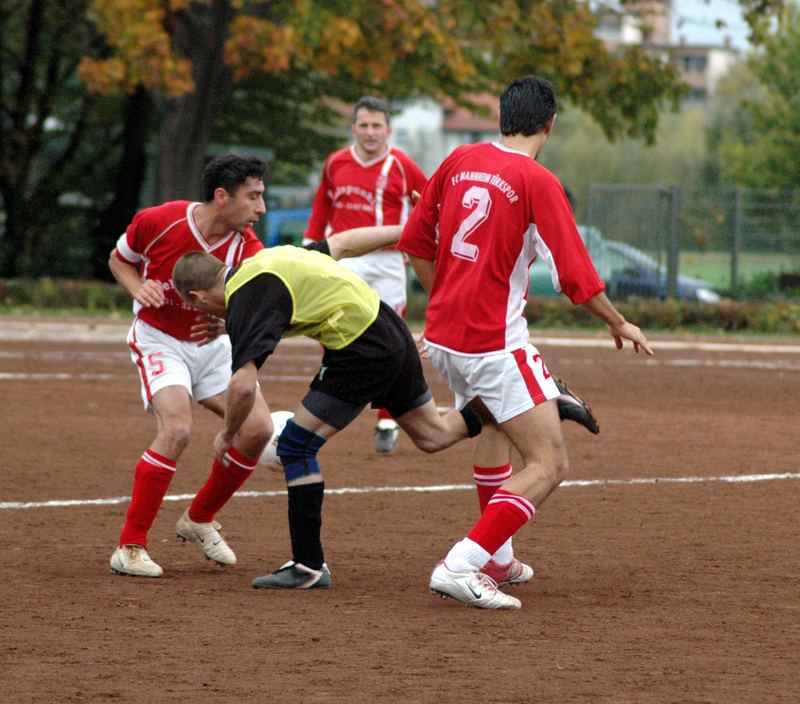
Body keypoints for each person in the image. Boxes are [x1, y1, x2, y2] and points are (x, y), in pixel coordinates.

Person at [398, 75, 654, 610]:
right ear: (551, 124)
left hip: (446, 338)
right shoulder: (537, 179)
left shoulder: (458, 159)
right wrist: (618, 322)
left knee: (494, 426)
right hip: (493, 342)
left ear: (500, 117)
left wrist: (447, 297)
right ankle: (462, 563)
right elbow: (577, 277)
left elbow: (415, 242)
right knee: (549, 462)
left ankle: (497, 558)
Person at [171, 232, 485, 590]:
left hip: (361, 348)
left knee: (295, 446)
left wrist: (228, 434)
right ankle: (516, 402)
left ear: (196, 297)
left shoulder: (246, 296)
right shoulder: (267, 261)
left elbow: (243, 386)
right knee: (434, 434)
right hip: (388, 327)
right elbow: (343, 244)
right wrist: (408, 228)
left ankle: (308, 565)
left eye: (199, 307)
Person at [108, 153, 273, 578]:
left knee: (257, 430)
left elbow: (253, 306)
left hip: (212, 348)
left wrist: (223, 323)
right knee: (178, 428)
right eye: (253, 197)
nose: (261, 208)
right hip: (160, 340)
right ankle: (130, 546)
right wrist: (137, 285)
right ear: (222, 197)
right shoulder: (160, 220)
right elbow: (119, 258)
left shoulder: (248, 249)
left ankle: (199, 519)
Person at [304, 95, 428, 454]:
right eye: (364, 125)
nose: (370, 132)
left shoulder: (403, 165)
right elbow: (322, 206)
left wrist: (416, 244)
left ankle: (387, 419)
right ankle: (327, 405)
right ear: (353, 128)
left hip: (388, 261)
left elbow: (428, 202)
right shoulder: (336, 163)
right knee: (334, 331)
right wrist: (312, 246)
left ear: (388, 130)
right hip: (346, 258)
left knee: (394, 339)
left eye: (377, 126)